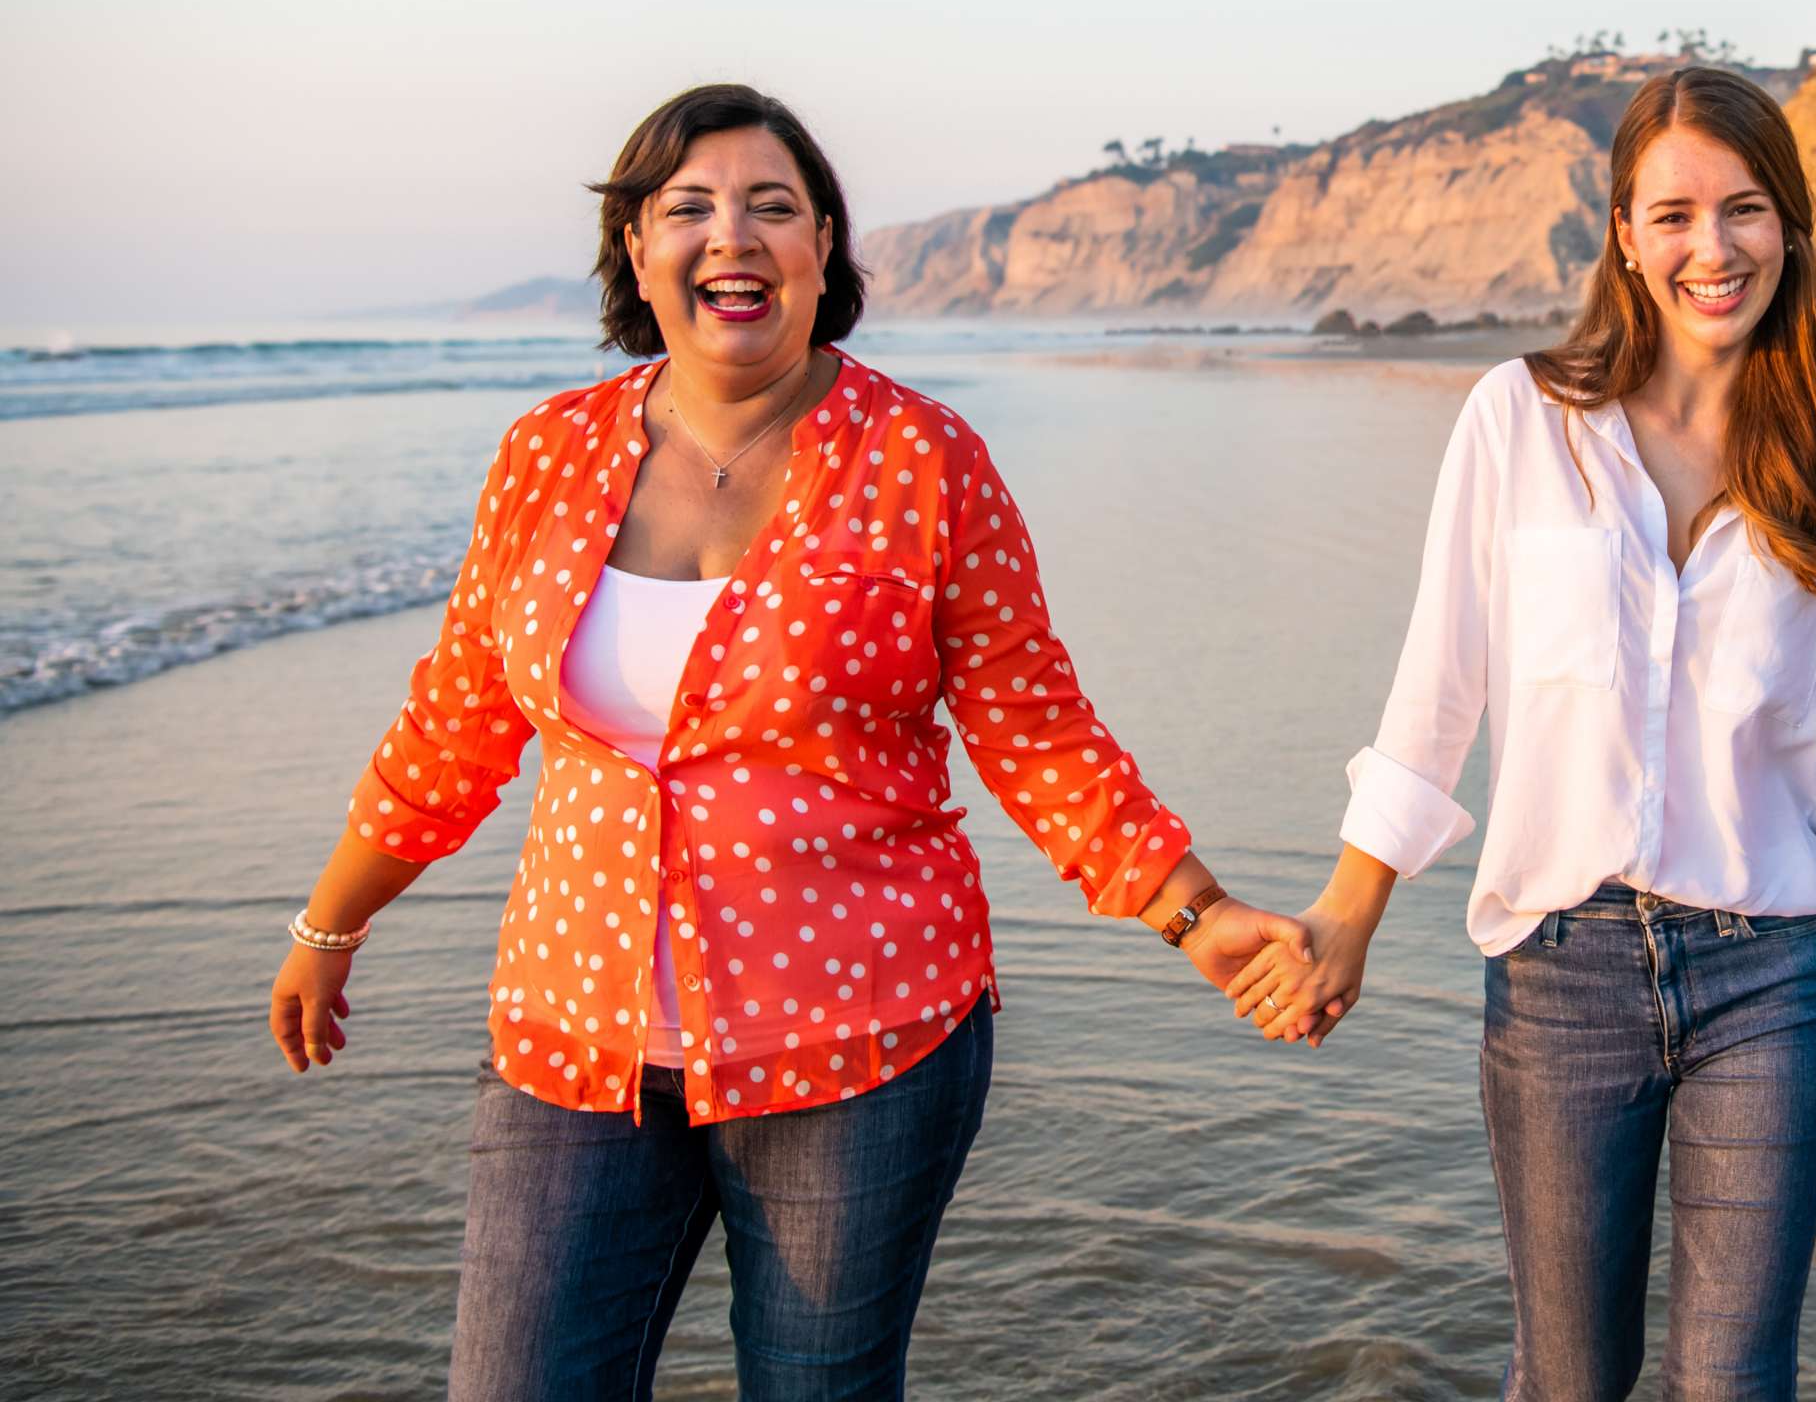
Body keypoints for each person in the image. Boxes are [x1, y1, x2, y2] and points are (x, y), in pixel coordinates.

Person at [266, 84, 1310, 1401]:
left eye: (773, 207)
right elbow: (455, 724)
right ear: (636, 252)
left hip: (859, 1046)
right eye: (689, 209)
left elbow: (1034, 729)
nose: (732, 239)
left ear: (825, 245)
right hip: (572, 1042)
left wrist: (1195, 913)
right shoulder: (544, 456)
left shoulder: (927, 462)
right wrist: (328, 927)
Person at [1233, 66, 1816, 1401]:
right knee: (1569, 1378)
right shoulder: (1520, 421)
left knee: (1732, 1381)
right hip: (1561, 977)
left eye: (1744, 210)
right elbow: (1437, 684)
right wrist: (1350, 911)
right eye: (1674, 214)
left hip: (1772, 979)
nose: (1712, 247)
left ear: (1788, 229)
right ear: (1624, 232)